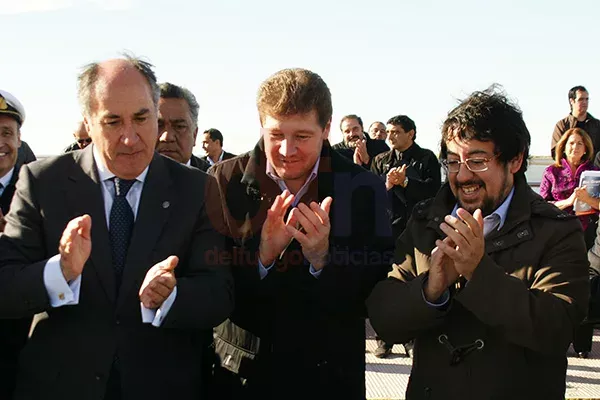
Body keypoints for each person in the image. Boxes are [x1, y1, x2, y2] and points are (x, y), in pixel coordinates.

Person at [0, 56, 234, 400]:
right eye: (112, 121)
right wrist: (60, 272)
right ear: (88, 122)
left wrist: (171, 296)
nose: (130, 138)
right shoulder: (42, 181)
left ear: (156, 112)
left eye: (141, 118)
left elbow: (219, 293)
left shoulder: (197, 190)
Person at [367, 87, 590, 400]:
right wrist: (431, 290)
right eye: (453, 162)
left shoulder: (555, 231)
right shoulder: (426, 222)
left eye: (477, 160)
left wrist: (478, 272)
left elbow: (557, 328)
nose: (463, 176)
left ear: (515, 160)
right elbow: (385, 320)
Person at [209, 68, 394, 400]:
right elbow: (211, 283)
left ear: (326, 128)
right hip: (243, 374)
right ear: (260, 124)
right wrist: (261, 256)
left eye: (303, 136)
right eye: (276, 134)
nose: (287, 149)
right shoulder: (223, 182)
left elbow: (374, 284)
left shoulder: (364, 188)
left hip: (328, 375)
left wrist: (323, 258)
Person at [369, 115, 441, 358]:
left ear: (411, 134)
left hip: (417, 232)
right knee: (384, 282)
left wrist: (407, 182)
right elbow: (370, 193)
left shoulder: (426, 158)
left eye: (396, 132)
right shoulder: (380, 160)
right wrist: (387, 184)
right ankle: (384, 338)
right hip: (386, 230)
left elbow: (434, 192)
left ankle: (411, 337)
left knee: (415, 282)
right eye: (388, 132)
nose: (390, 136)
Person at [0, 89, 33, 399]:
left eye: (6, 133)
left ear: (19, 140)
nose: (0, 143)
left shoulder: (41, 194)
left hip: (18, 344)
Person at [155, 82, 211, 172]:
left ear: (194, 135)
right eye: (158, 126)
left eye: (179, 127)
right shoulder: (127, 180)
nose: (167, 137)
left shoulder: (213, 181)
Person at [551, 86, 600, 158]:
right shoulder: (562, 125)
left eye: (587, 99)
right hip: (568, 167)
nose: (584, 102)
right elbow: (555, 151)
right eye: (581, 99)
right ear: (572, 101)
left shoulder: (597, 125)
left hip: (592, 167)